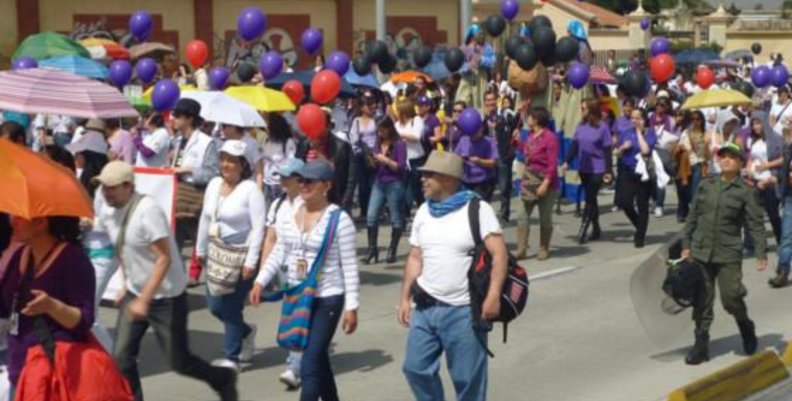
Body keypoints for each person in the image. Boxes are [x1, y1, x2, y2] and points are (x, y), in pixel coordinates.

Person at [93, 161, 237, 401]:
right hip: (135, 292)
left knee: (179, 362)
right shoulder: (109, 213)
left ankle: (221, 378)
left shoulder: (147, 210)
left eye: (111, 188)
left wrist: (144, 300)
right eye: (103, 187)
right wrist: (125, 284)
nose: (106, 193)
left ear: (128, 186)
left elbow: (164, 258)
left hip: (166, 297)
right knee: (121, 359)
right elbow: (122, 249)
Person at [398, 150, 508, 401]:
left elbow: (499, 255)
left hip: (463, 312)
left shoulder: (477, 209)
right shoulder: (425, 210)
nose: (422, 180)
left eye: (429, 175)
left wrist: (493, 296)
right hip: (425, 307)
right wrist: (404, 298)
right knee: (415, 368)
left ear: (448, 179)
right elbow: (416, 257)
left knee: (467, 381)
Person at [254, 160, 360, 401]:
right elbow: (280, 249)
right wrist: (260, 281)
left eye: (310, 181)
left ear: (326, 186)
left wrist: (352, 307)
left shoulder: (339, 220)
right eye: (300, 180)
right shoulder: (291, 213)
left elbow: (350, 267)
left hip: (328, 297)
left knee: (310, 362)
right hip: (299, 294)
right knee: (318, 359)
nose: (303, 185)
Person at [681, 142, 767, 365]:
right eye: (723, 156)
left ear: (740, 163)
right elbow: (693, 216)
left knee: (731, 298)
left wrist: (761, 253)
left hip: (728, 252)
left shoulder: (745, 191)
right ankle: (701, 344)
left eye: (732, 157)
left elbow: (755, 224)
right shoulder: (706, 185)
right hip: (700, 250)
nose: (726, 160)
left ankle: (745, 326)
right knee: (702, 300)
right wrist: (686, 243)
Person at [0, 216, 95, 400]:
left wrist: (52, 306)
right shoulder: (21, 254)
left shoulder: (73, 259)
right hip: (20, 369)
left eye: (20, 217)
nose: (12, 222)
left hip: (52, 374)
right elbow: (4, 307)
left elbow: (84, 320)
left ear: (42, 223)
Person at [195, 140, 266, 371]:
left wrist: (251, 261)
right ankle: (245, 332)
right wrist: (200, 248)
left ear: (242, 165)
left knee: (230, 308)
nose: (226, 165)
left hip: (239, 256)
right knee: (215, 305)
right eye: (223, 159)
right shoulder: (214, 184)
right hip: (216, 253)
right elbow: (206, 219)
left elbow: (258, 227)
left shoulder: (250, 190)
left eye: (232, 161)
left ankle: (231, 358)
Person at [248, 158, 305, 389]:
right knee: (291, 315)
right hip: (285, 270)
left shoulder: (310, 204)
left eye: (287, 177)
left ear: (301, 180)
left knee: (301, 317)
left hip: (308, 271)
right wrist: (262, 276)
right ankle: (304, 360)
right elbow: (271, 239)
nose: (282, 181)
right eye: (280, 176)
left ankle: (294, 367)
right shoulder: (277, 205)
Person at [170, 98, 220, 286]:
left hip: (196, 198)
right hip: (177, 196)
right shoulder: (177, 141)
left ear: (190, 119)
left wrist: (188, 170)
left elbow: (213, 173)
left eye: (178, 116)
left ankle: (216, 279)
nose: (173, 119)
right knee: (174, 243)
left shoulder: (207, 143)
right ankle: (176, 282)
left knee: (202, 241)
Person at [562, 98, 613, 244]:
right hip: (584, 167)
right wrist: (566, 161)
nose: (581, 110)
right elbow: (574, 145)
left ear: (591, 110)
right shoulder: (580, 126)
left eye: (584, 108)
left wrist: (608, 170)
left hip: (598, 167)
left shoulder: (602, 127)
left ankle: (583, 228)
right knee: (591, 198)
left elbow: (607, 149)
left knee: (589, 198)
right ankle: (596, 227)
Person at [514, 107, 559, 260]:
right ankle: (522, 248)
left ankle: (543, 247)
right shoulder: (531, 135)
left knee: (545, 217)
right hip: (529, 179)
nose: (527, 119)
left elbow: (552, 165)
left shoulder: (550, 138)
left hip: (545, 181)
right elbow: (527, 153)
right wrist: (518, 142)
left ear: (537, 119)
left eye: (530, 117)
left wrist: (545, 184)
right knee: (522, 214)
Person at [362, 117, 408, 265]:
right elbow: (376, 162)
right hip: (379, 181)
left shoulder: (399, 144)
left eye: (382, 129)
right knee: (371, 215)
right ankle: (372, 249)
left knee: (396, 217)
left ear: (389, 128)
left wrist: (385, 160)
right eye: (378, 130)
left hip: (394, 183)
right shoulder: (378, 142)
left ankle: (392, 250)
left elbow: (400, 167)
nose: (379, 133)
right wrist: (373, 160)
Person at [295, 111, 357, 213]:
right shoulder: (304, 145)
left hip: (334, 200)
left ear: (328, 126)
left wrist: (345, 203)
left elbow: (350, 179)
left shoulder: (341, 147)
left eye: (319, 125)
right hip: (309, 200)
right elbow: (297, 171)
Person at [615, 108, 657, 248]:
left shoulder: (650, 133)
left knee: (642, 204)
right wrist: (622, 148)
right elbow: (617, 153)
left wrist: (639, 132)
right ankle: (639, 224)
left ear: (644, 120)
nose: (634, 121)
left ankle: (640, 236)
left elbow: (645, 150)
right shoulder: (626, 133)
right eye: (632, 118)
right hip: (628, 171)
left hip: (643, 172)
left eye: (637, 118)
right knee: (625, 202)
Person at [455, 112, 499, 201]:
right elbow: (455, 157)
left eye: (475, 133)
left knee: (477, 208)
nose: (473, 137)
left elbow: (494, 162)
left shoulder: (489, 142)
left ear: (481, 128)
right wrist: (461, 160)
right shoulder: (463, 140)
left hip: (482, 182)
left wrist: (479, 161)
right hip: (465, 181)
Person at [348, 92, 379, 219]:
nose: (370, 107)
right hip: (360, 155)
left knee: (373, 184)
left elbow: (379, 137)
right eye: (367, 105)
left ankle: (373, 210)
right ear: (361, 107)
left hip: (374, 155)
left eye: (372, 104)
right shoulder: (356, 121)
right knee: (362, 185)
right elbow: (352, 139)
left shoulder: (376, 120)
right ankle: (364, 210)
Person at [395, 98, 427, 211]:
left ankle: (421, 209)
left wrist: (400, 135)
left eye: (399, 110)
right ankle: (405, 213)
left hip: (416, 160)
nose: (397, 113)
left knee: (417, 189)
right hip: (403, 160)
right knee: (403, 188)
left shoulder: (416, 120)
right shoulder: (397, 124)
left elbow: (416, 136)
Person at [261, 113, 298, 205]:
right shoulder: (268, 141)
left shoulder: (288, 142)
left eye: (268, 127)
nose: (267, 130)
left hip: (280, 184)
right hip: (267, 183)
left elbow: (291, 162)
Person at [65, 128, 110, 198]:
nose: (75, 156)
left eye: (77, 153)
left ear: (88, 156)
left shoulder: (98, 185)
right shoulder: (87, 176)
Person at [221, 124, 264, 188]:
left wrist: (258, 191)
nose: (222, 130)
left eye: (224, 127)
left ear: (234, 127)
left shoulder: (252, 143)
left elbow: (259, 172)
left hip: (248, 187)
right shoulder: (226, 144)